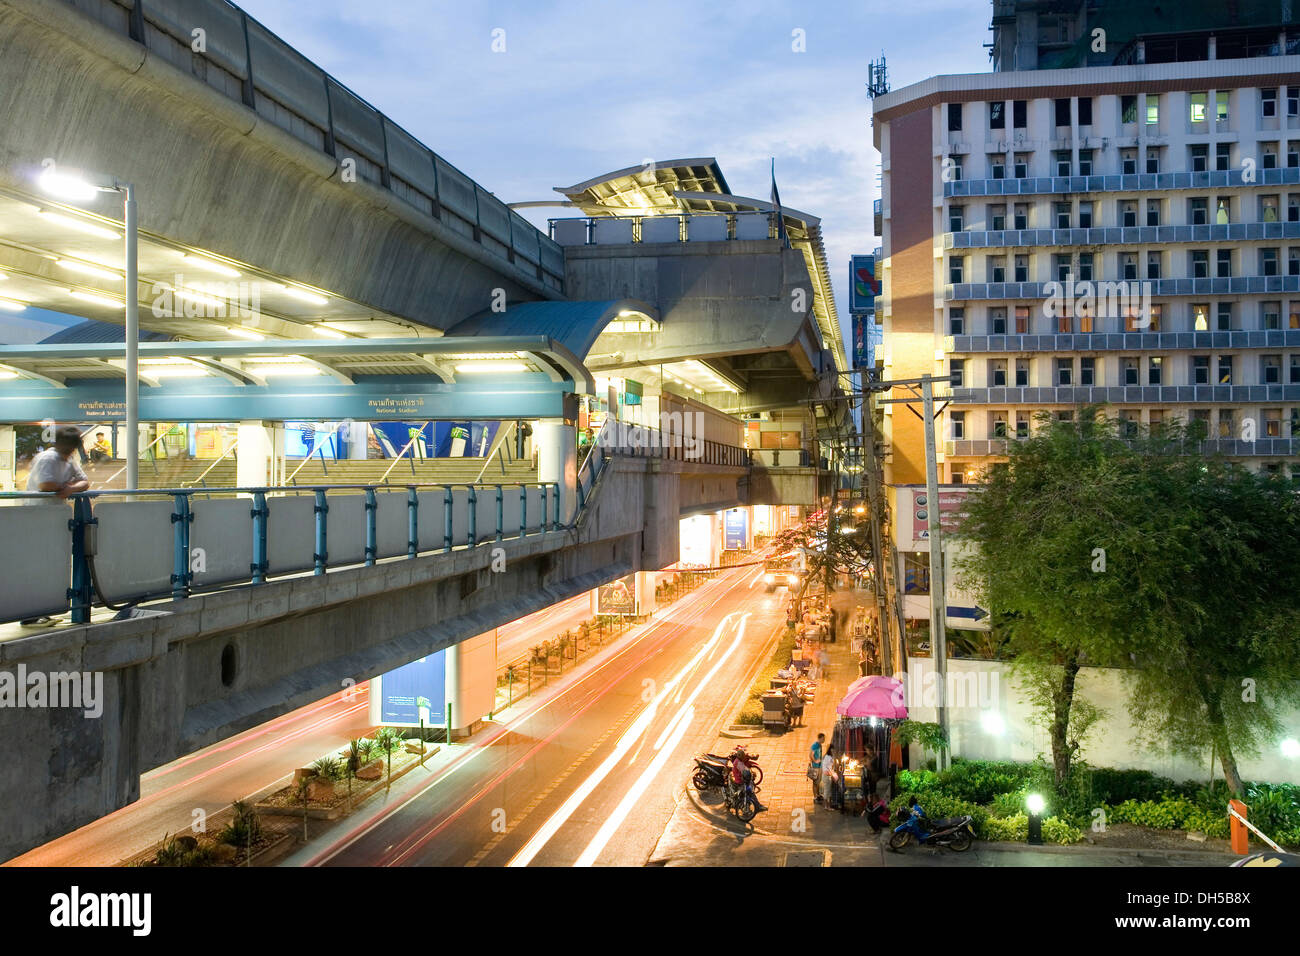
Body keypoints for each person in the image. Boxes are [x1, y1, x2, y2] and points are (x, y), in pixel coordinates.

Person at [21, 426, 91, 625]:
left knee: (49, 563)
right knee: (37, 564)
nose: (72, 451)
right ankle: (30, 613)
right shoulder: (48, 459)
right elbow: (46, 484)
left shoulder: (68, 460)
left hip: (54, 517)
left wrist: (69, 488)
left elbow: (84, 482)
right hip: (37, 516)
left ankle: (42, 608)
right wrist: (68, 487)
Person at [809, 733, 825, 803]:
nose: (824, 740)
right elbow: (811, 755)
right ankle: (815, 797)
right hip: (815, 767)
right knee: (815, 782)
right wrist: (815, 761)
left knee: (818, 782)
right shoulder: (815, 745)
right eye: (823, 739)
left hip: (819, 766)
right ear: (820, 738)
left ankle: (818, 795)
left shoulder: (819, 745)